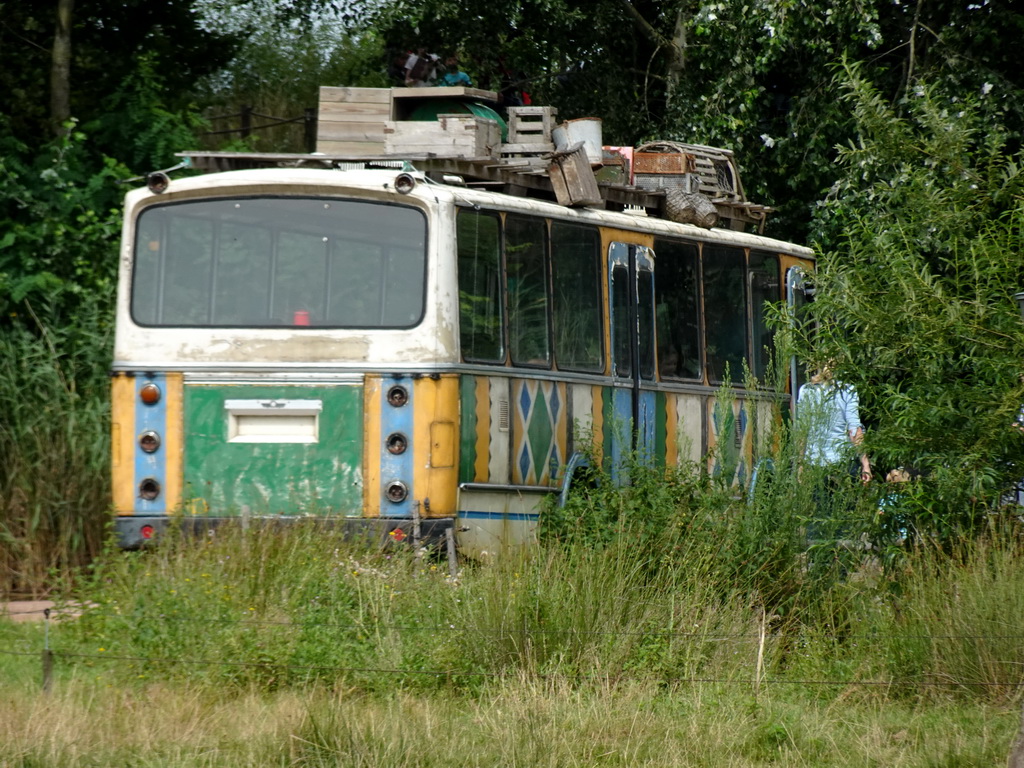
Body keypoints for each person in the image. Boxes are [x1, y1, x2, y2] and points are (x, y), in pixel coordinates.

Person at [797, 363, 871, 541]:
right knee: (844, 516)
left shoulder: (806, 390)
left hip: (814, 463)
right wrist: (865, 464)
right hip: (842, 463)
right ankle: (841, 562)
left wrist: (800, 463)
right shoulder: (848, 390)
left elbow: (802, 430)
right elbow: (854, 430)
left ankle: (818, 562)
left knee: (818, 514)